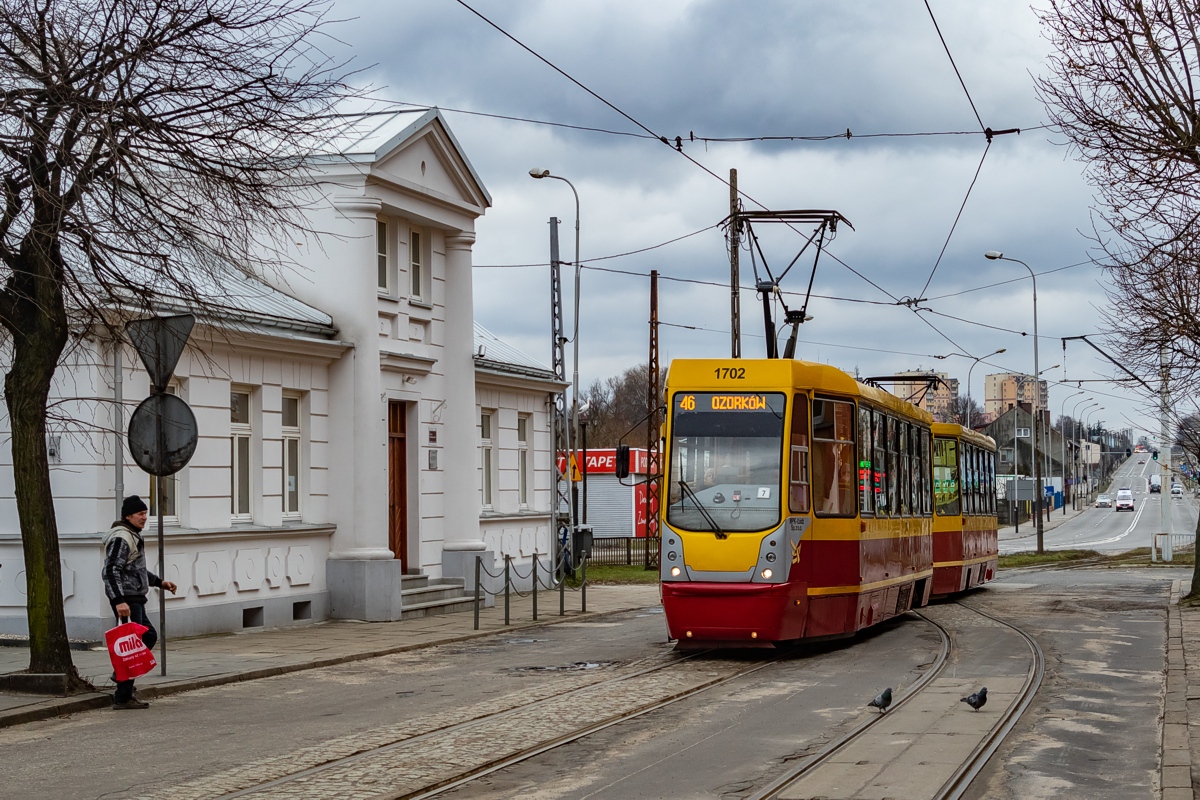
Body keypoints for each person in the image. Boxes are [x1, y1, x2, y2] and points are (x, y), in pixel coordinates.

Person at [101, 496, 177, 709]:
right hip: (127, 600)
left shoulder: (132, 535)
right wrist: (118, 601)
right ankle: (123, 696)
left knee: (147, 638)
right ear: (128, 516)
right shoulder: (121, 538)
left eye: (145, 513)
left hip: (134, 598)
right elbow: (110, 570)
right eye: (140, 514)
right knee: (131, 647)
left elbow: (136, 569)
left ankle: (121, 676)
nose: (145, 518)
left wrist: (160, 582)